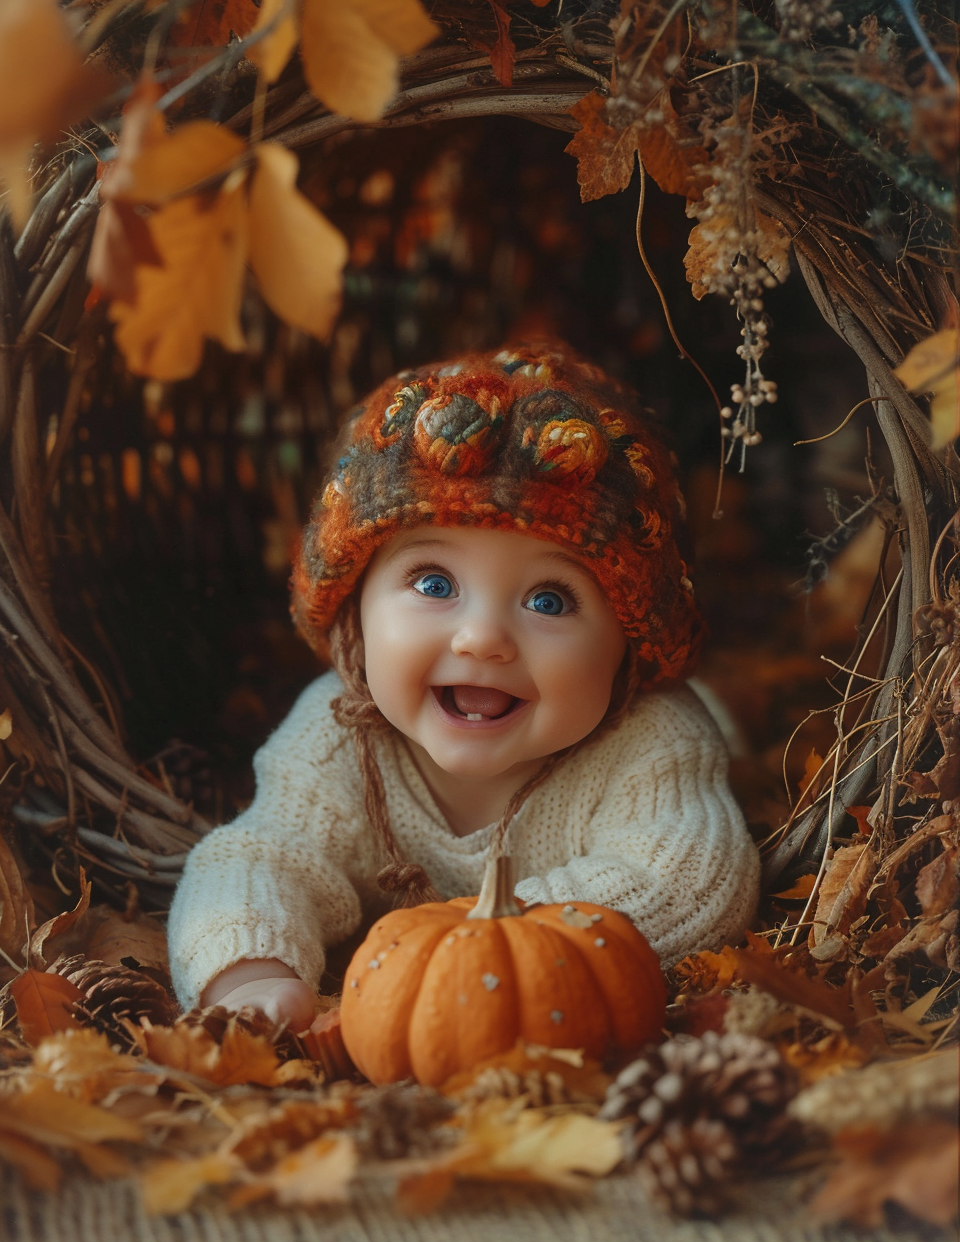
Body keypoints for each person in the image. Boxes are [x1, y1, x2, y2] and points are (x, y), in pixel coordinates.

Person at [166, 342, 760, 1032]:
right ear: (354, 615)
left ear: (630, 642)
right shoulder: (336, 735)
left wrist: (485, 943)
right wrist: (251, 969)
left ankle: (733, 718)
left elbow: (688, 879)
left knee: (717, 721)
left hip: (521, 970)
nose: (482, 638)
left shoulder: (650, 743)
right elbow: (260, 855)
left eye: (548, 600)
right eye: (433, 584)